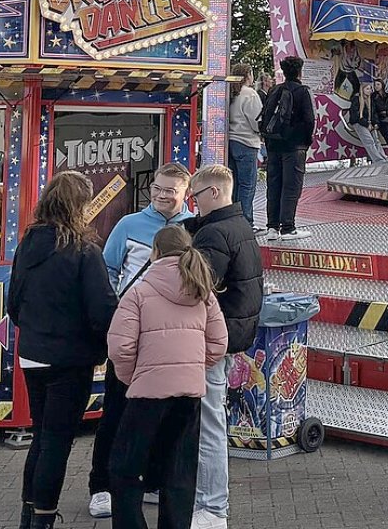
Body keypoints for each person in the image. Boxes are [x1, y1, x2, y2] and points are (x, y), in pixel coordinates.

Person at [10, 171, 117, 529]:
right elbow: (101, 310)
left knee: (41, 436)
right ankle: (43, 517)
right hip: (70, 357)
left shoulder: (27, 243)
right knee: (57, 441)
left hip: (33, 352)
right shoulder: (85, 250)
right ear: (80, 206)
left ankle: (30, 513)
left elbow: (14, 303)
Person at [90, 164, 194, 518]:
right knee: (116, 413)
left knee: (164, 419)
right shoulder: (128, 225)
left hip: (172, 345)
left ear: (185, 193)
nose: (164, 196)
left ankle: (151, 482)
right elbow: (108, 269)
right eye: (159, 189)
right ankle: (100, 485)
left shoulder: (193, 226)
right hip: (134, 336)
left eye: (171, 191)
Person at [108, 225, 227, 529]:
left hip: (147, 393)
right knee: (180, 472)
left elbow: (120, 347)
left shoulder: (139, 292)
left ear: (155, 252)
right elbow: (219, 343)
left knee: (125, 469)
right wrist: (191, 368)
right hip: (189, 395)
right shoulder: (204, 293)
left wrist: (132, 378)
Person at [187, 167, 263, 529]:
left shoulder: (215, 233)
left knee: (209, 423)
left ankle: (212, 506)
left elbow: (195, 287)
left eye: (196, 196)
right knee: (209, 418)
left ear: (214, 194)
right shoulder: (241, 225)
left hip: (211, 339)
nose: (193, 203)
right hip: (234, 334)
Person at [261, 55, 315, 241]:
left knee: (274, 185)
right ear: (300, 71)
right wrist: (305, 141)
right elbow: (309, 121)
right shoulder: (303, 91)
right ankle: (288, 227)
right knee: (291, 186)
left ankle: (272, 228)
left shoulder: (275, 90)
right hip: (294, 147)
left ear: (283, 72)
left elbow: (266, 116)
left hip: (274, 144)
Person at [227, 64, 264, 228]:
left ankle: (233, 218)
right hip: (247, 141)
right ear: (248, 75)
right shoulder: (250, 94)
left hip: (231, 140)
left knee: (234, 184)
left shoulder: (230, 92)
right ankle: (246, 222)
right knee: (247, 185)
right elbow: (257, 121)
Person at [334, 46, 384, 163]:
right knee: (369, 141)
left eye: (370, 89)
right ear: (362, 90)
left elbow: (374, 113)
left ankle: (382, 157)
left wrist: (375, 123)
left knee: (376, 139)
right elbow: (355, 115)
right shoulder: (357, 99)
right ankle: (378, 159)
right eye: (367, 89)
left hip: (369, 123)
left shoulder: (371, 100)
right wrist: (367, 124)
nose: (370, 91)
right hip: (360, 123)